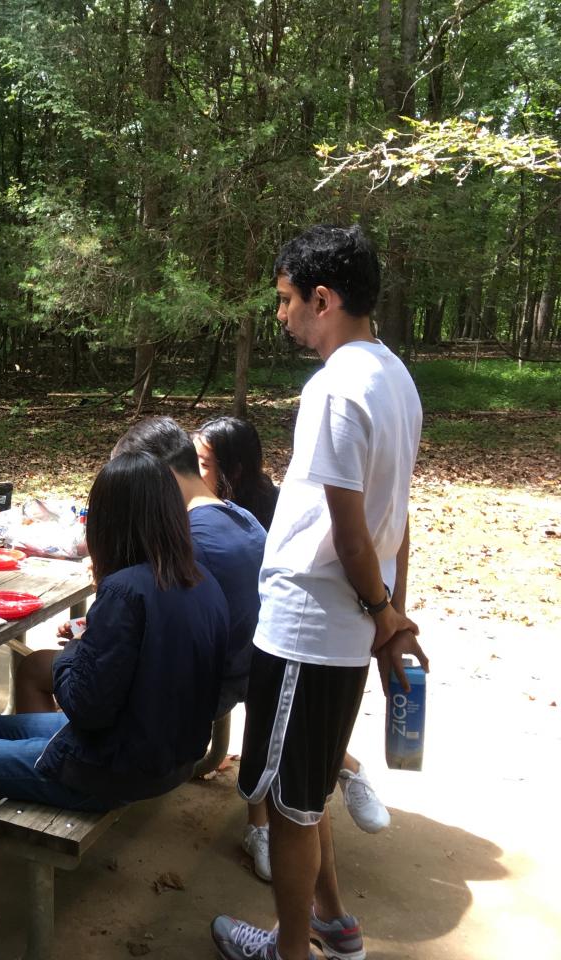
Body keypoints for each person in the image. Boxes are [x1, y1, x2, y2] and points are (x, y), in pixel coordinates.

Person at [0, 452, 229, 956]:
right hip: (165, 757)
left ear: (112, 520)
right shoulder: (202, 582)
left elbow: (85, 707)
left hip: (107, 767)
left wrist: (74, 653)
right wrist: (95, 647)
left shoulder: (123, 590)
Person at [212, 225, 428, 960]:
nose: (281, 315)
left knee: (289, 806)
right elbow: (399, 513)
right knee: (303, 787)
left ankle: (290, 952)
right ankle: (333, 923)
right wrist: (391, 611)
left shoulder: (333, 389)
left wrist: (383, 615)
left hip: (312, 626)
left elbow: (347, 525)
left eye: (286, 299)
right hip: (347, 624)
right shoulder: (394, 376)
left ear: (324, 299)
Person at [193, 416, 390, 884]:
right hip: (243, 635)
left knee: (282, 724)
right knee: (274, 727)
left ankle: (340, 774)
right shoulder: (205, 505)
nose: (191, 470)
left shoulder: (270, 509)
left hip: (275, 636)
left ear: (233, 470)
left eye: (201, 462)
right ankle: (267, 821)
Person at [14, 417, 265, 723]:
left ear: (152, 477)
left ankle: (59, 761)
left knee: (38, 668)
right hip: (238, 671)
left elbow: (149, 631)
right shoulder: (242, 518)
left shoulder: (185, 544)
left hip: (189, 689)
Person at [193, 417, 280, 530]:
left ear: (235, 471)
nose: (192, 470)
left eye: (204, 464)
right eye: (192, 460)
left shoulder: (276, 515)